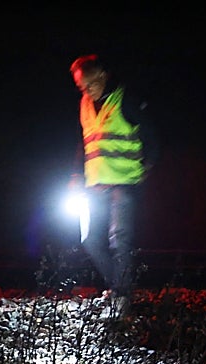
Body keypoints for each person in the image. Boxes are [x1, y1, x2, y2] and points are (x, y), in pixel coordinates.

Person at [65, 53, 159, 318]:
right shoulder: (85, 105)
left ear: (104, 75)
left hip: (124, 183)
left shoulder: (126, 100)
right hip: (94, 184)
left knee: (120, 239)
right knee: (89, 239)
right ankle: (119, 288)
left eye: (91, 84)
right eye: (82, 87)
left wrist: (147, 166)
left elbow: (152, 136)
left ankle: (122, 297)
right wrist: (76, 175)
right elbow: (84, 142)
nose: (87, 91)